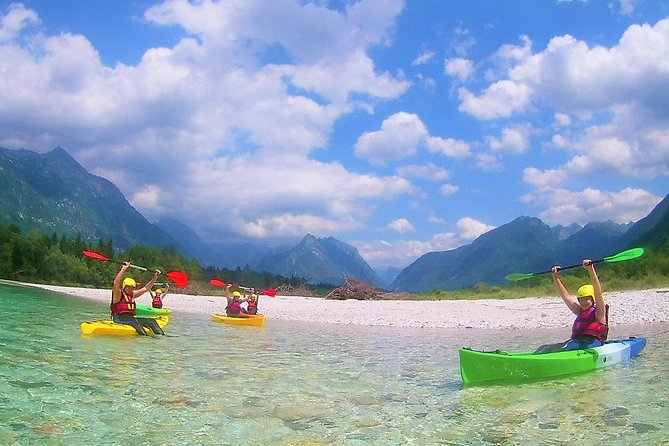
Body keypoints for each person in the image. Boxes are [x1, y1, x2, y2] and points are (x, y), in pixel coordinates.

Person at [535, 259, 608, 354]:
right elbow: (566, 297)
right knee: (543, 348)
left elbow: (598, 291)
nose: (583, 302)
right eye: (580, 299)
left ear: (593, 299)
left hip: (593, 342)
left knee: (569, 346)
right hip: (576, 342)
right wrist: (556, 278)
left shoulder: (599, 313)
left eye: (587, 299)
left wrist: (591, 269)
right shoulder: (580, 311)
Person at [111, 261, 165, 335]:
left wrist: (155, 277)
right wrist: (123, 269)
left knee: (152, 321)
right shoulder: (118, 294)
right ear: (124, 286)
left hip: (131, 318)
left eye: (132, 287)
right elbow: (116, 283)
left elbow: (146, 288)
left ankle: (162, 338)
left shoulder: (132, 294)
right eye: (128, 287)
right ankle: (145, 339)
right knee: (138, 326)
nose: (130, 289)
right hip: (119, 318)